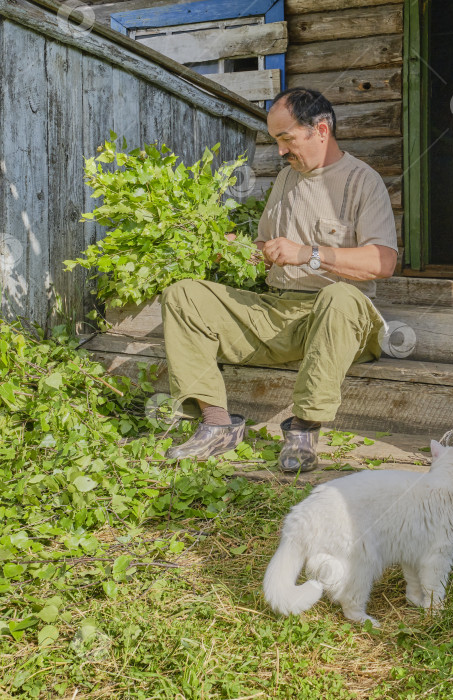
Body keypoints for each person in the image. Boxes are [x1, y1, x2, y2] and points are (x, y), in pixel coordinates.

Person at [161, 87, 398, 472]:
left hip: (336, 320)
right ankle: (217, 424)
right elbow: (266, 247)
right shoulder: (286, 179)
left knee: (339, 298)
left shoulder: (362, 181)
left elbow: (383, 262)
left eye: (286, 139)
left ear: (320, 130)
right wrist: (236, 249)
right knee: (183, 294)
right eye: (276, 141)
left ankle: (304, 428)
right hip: (276, 311)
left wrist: (311, 253)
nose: (281, 151)